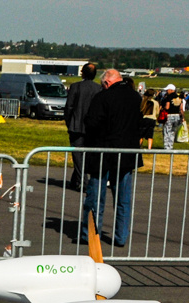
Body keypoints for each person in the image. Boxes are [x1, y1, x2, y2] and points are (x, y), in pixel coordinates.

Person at [79, 69, 143, 248]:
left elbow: (91, 123)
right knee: (123, 199)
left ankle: (90, 234)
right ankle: (121, 236)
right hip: (127, 154)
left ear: (106, 83)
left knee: (95, 198)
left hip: (104, 153)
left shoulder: (103, 97)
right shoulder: (135, 97)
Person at [64, 63, 101, 191]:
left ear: (82, 73)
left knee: (78, 154)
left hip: (76, 125)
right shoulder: (98, 89)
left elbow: (69, 107)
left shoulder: (76, 87)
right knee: (82, 155)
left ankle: (83, 181)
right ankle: (76, 180)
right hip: (92, 127)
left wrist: (69, 122)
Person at [161, 84, 185, 150]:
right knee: (172, 132)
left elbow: (167, 107)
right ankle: (170, 146)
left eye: (167, 90)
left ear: (171, 90)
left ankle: (166, 147)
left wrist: (163, 109)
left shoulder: (168, 97)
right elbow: (181, 108)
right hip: (177, 116)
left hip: (169, 115)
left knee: (167, 131)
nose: (166, 91)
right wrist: (183, 117)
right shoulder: (179, 97)